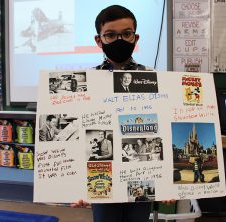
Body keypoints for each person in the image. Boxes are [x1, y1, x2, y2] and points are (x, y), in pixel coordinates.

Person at [71, 5, 175, 222]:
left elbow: (165, 130)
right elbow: (78, 137)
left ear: (135, 38)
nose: (119, 40)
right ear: (99, 40)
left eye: (126, 34)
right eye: (110, 35)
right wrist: (75, 186)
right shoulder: (87, 82)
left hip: (141, 176)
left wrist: (168, 182)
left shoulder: (153, 79)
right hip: (101, 177)